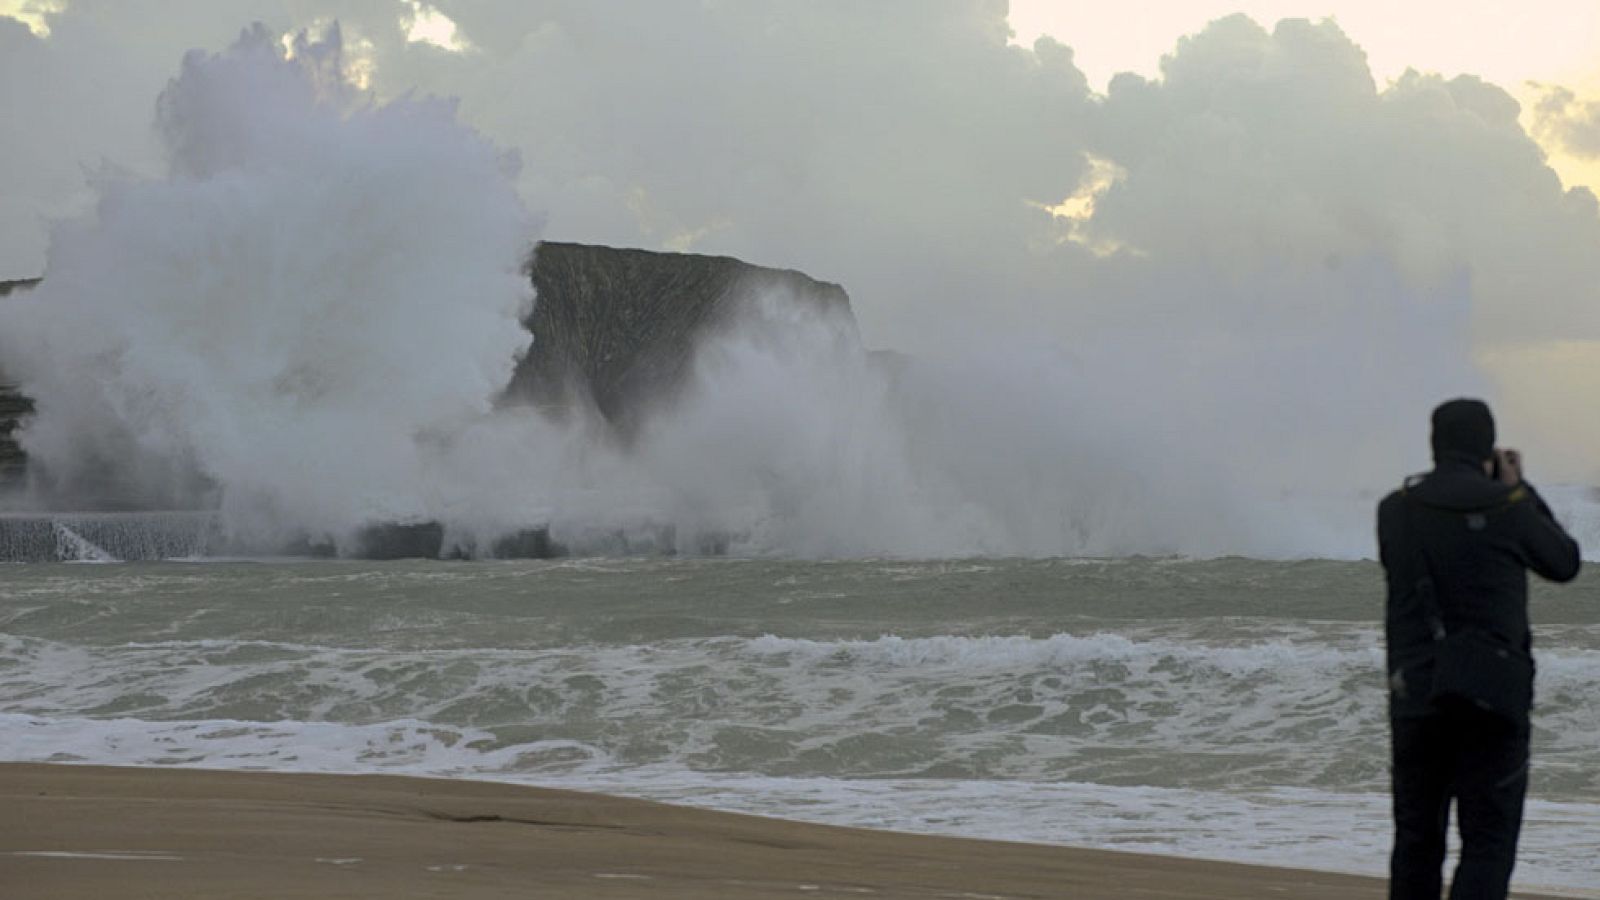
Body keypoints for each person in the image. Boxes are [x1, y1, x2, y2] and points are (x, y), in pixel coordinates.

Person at [1377, 398, 1581, 899]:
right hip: (1494, 695)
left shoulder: (1395, 510)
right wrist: (1519, 488)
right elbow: (1563, 562)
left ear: (1434, 443)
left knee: (1417, 841)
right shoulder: (1508, 507)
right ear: (1488, 447)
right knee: (1488, 842)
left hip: (1417, 693)